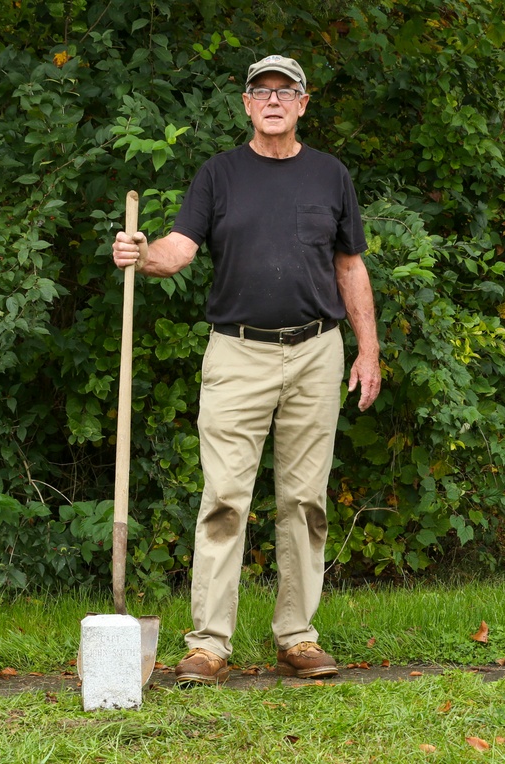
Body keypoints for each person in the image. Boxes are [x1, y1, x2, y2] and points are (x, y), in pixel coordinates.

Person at [112, 54, 381, 685]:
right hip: (237, 353)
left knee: (306, 501)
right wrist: (141, 254)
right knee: (225, 499)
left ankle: (298, 637)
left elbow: (351, 267)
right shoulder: (219, 175)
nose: (274, 99)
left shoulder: (330, 176)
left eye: (286, 90)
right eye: (261, 91)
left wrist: (368, 351)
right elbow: (179, 249)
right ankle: (208, 644)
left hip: (318, 351)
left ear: (303, 103)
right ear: (246, 104)